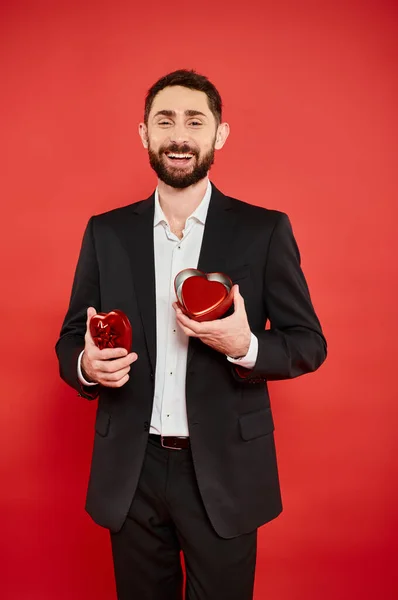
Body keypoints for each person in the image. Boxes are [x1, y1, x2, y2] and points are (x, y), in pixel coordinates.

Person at [55, 69, 327, 600]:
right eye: (165, 121)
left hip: (223, 471)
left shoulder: (264, 230)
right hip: (131, 473)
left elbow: (308, 342)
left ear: (219, 134)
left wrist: (244, 346)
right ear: (145, 135)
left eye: (195, 121)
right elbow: (70, 337)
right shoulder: (105, 232)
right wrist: (87, 365)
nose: (179, 135)